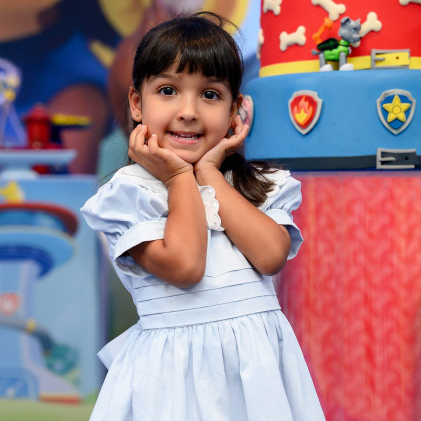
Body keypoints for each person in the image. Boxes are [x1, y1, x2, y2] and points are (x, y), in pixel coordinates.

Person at [80, 11, 326, 421]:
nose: (189, 111)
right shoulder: (131, 195)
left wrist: (209, 173)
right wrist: (179, 177)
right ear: (137, 103)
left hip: (256, 381)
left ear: (235, 111)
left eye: (210, 94)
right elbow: (186, 267)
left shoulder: (256, 185)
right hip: (171, 385)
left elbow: (270, 256)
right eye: (168, 91)